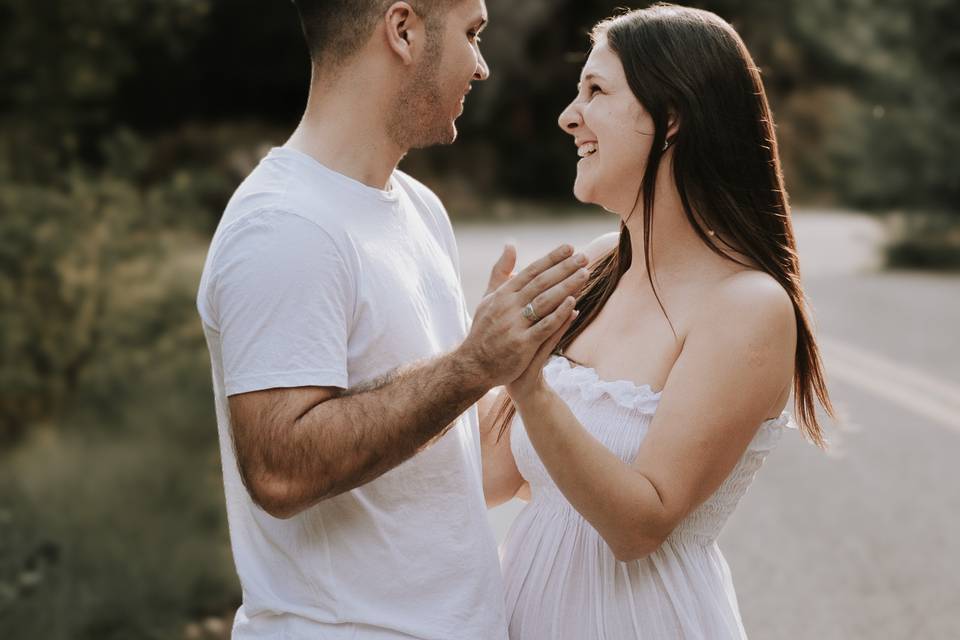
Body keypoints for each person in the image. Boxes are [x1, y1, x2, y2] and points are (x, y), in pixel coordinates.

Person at [195, 1, 589, 638]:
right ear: (403, 30)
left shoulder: (418, 208)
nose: (482, 66)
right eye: (472, 34)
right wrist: (470, 367)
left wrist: (547, 389)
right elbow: (280, 469)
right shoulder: (285, 225)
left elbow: (454, 470)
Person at [481, 4, 835, 639]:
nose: (569, 115)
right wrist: (482, 360)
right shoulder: (589, 270)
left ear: (670, 118)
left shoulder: (748, 306)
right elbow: (489, 478)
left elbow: (640, 525)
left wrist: (529, 386)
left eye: (596, 91)